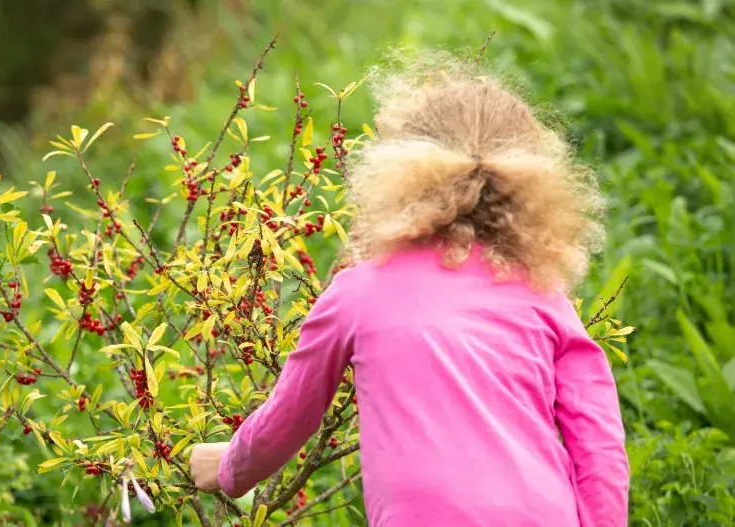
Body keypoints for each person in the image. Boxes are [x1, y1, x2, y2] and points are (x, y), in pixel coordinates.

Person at [189, 57, 630, 526]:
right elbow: (599, 445)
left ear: (399, 170)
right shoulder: (544, 297)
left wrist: (228, 467)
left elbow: (290, 417)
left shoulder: (360, 291)